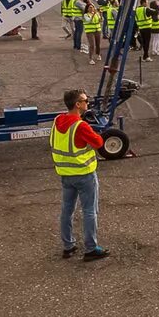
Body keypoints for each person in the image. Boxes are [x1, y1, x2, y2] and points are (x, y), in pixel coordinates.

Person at [50, 88, 109, 262]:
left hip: (65, 174)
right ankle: (91, 248)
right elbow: (99, 142)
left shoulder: (58, 120)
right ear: (78, 104)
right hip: (84, 174)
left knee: (67, 210)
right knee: (89, 210)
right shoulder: (80, 126)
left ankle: (68, 246)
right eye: (85, 101)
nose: (87, 103)